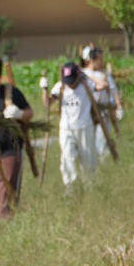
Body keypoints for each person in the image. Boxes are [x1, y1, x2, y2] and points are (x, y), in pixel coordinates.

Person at [0, 55, 34, 220]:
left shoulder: (11, 93)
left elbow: (30, 113)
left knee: (6, 189)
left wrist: (19, 113)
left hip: (9, 149)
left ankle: (5, 226)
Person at [49, 61, 98, 189]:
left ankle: (89, 187)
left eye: (73, 80)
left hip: (84, 127)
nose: (71, 84)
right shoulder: (60, 87)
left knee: (87, 160)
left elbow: (103, 85)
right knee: (67, 157)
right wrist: (44, 89)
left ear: (78, 76)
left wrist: (87, 75)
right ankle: (71, 187)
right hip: (66, 128)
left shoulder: (87, 85)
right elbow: (47, 103)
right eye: (68, 81)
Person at [80, 45, 123, 159]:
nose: (102, 62)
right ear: (92, 60)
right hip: (88, 112)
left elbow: (113, 90)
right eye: (100, 59)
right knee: (89, 139)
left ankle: (103, 161)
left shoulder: (104, 74)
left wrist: (118, 106)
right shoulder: (82, 74)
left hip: (103, 111)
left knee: (103, 139)